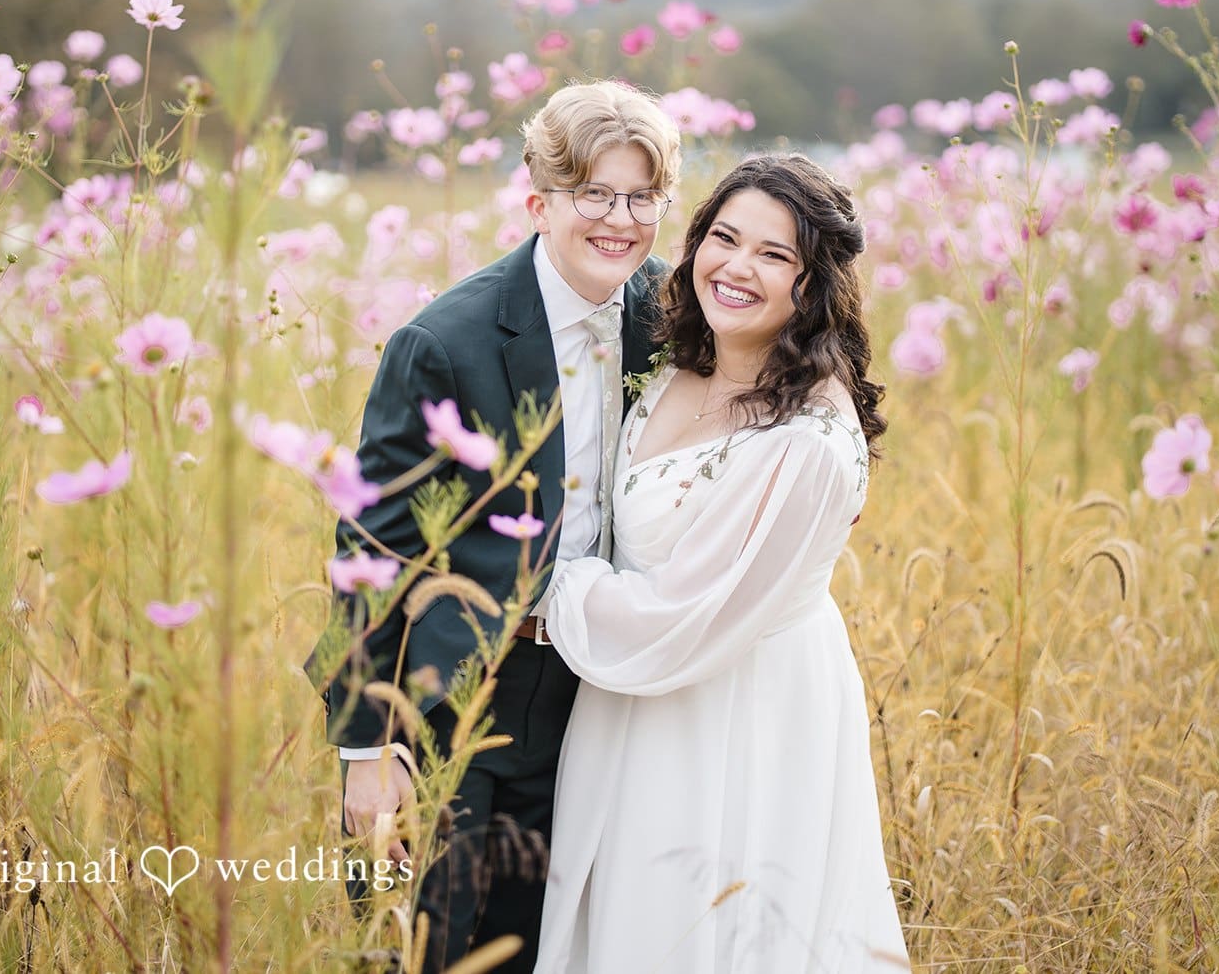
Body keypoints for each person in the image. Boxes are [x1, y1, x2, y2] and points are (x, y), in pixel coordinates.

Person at [308, 79, 683, 973]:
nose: (618, 220)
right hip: (453, 696)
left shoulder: (669, 314)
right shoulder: (446, 342)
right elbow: (373, 547)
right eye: (594, 193)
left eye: (642, 198)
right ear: (538, 197)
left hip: (597, 696)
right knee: (421, 946)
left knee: (539, 950)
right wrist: (368, 746)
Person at [535, 154, 911, 972]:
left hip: (738, 711)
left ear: (812, 286)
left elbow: (681, 613)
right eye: (724, 237)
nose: (737, 267)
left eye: (774, 255)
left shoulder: (807, 439)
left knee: (707, 924)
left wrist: (540, 581)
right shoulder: (676, 362)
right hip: (630, 696)